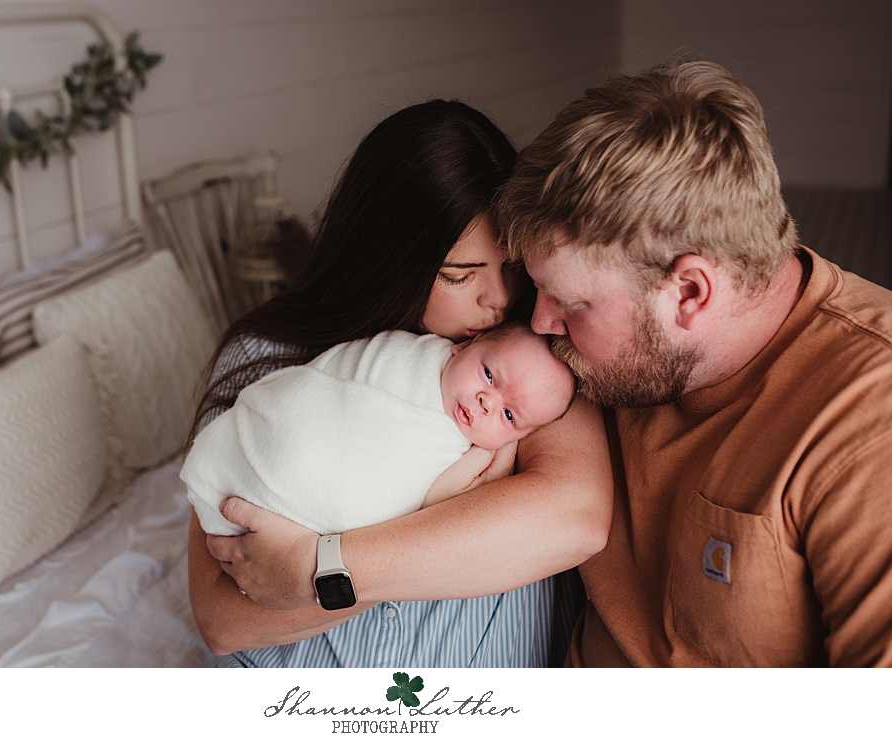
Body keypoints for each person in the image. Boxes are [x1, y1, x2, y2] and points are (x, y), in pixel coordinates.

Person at [188, 99, 613, 667]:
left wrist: (316, 570)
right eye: (460, 276)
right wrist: (449, 532)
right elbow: (220, 621)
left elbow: (574, 518)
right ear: (389, 258)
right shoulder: (266, 355)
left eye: (512, 266)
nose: (499, 299)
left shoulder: (530, 359)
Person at [494, 61, 892, 666]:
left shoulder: (869, 425)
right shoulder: (615, 350)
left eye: (571, 304)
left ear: (689, 292)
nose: (541, 322)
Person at [183, 323, 576, 537]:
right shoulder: (404, 354)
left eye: (509, 416)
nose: (487, 402)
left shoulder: (473, 463)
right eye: (488, 374)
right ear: (462, 347)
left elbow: (430, 511)